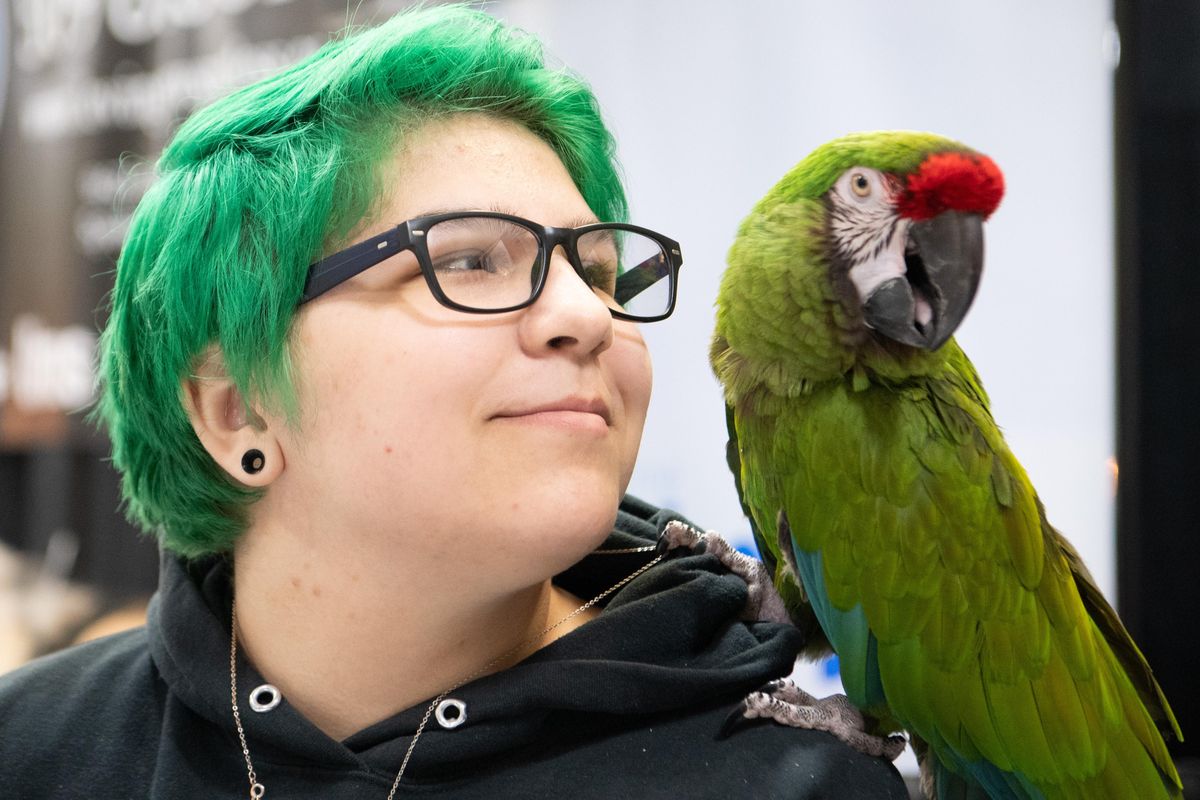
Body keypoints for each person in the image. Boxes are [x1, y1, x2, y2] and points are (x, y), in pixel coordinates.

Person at [0, 6, 907, 797]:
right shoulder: (33, 751)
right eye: (470, 259)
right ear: (239, 411)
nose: (586, 317)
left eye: (597, 272)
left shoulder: (797, 779)